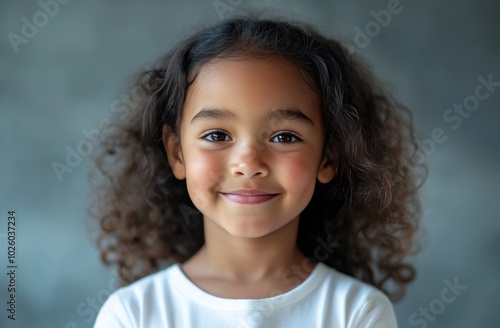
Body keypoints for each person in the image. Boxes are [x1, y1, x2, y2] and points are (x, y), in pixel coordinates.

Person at [91, 13, 424, 327]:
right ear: (177, 153)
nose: (249, 164)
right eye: (217, 135)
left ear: (328, 158)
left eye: (284, 136)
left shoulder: (356, 312)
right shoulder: (133, 314)